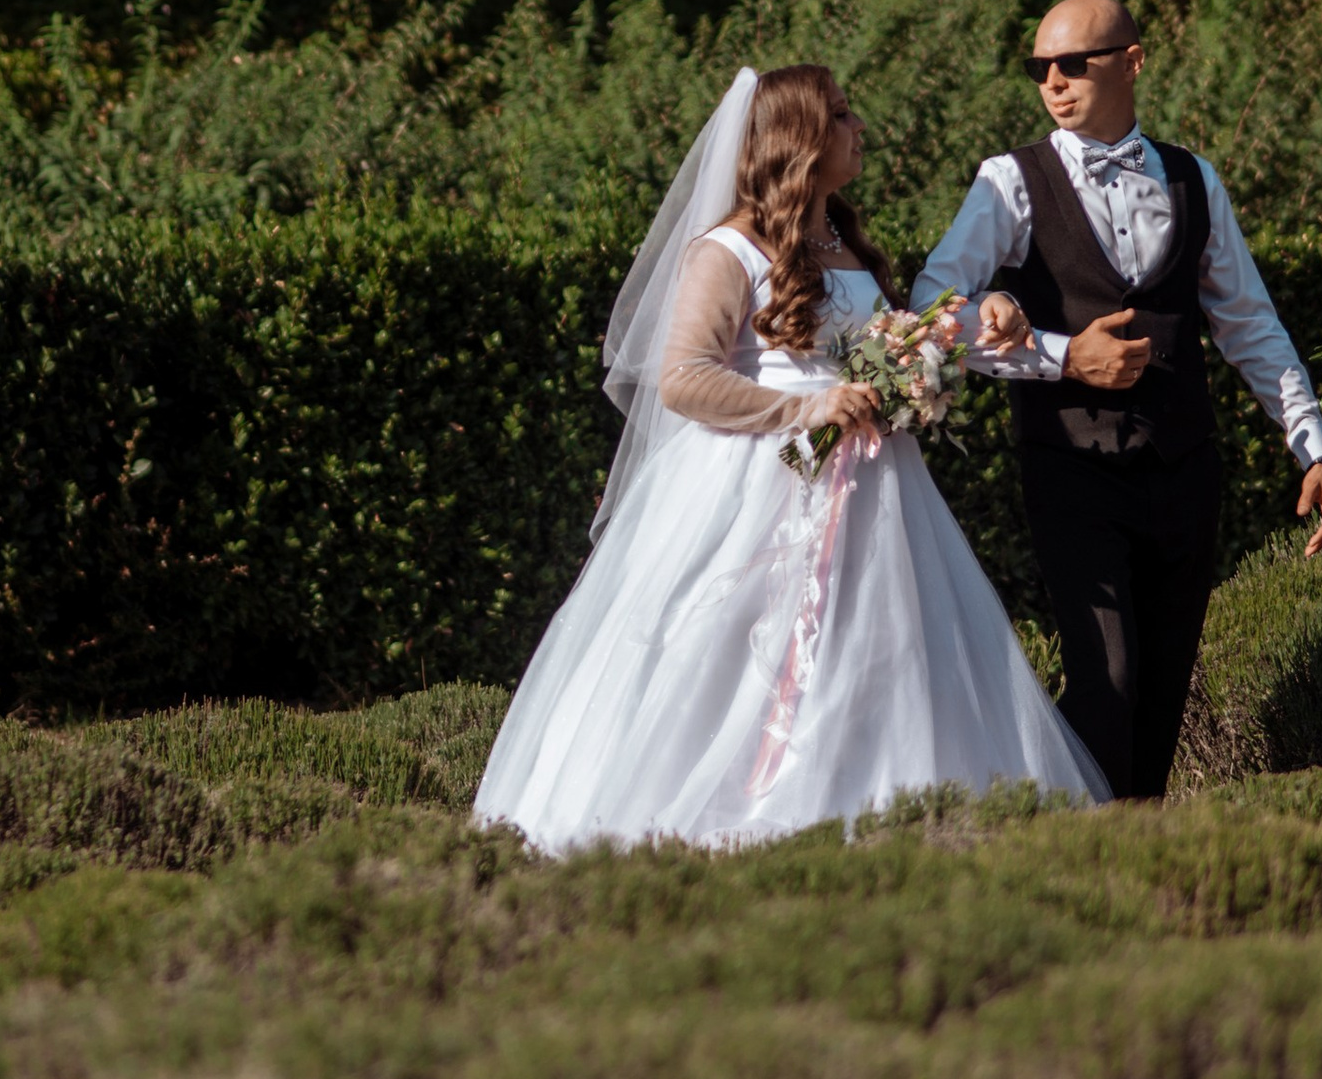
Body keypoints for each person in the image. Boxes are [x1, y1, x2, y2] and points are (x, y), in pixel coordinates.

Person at [474, 63, 1107, 851]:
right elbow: (683, 378)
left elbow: (897, 340)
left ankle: (879, 818)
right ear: (798, 138)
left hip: (878, 493)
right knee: (732, 661)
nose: (858, 127)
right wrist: (806, 409)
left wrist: (983, 316)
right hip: (756, 490)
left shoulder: (845, 242)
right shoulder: (728, 250)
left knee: (885, 655)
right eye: (840, 115)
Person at [914, 0, 1322, 801]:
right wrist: (1061, 357)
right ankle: (1065, 842)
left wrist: (1311, 445)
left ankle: (1135, 858)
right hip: (1072, 470)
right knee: (1106, 680)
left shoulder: (1193, 178)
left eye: (1073, 64)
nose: (1053, 81)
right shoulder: (1010, 181)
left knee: (1162, 693)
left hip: (1185, 470)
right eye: (1039, 67)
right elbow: (932, 310)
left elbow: (1250, 322)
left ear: (1132, 62)